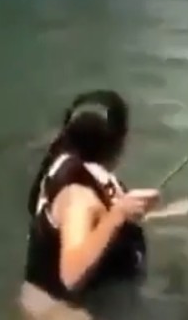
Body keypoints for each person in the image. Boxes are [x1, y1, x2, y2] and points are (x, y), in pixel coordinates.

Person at [20, 90, 162, 319]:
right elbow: (72, 275)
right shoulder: (79, 198)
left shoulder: (82, 171)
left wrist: (167, 214)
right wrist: (118, 214)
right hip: (60, 311)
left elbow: (95, 227)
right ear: (120, 141)